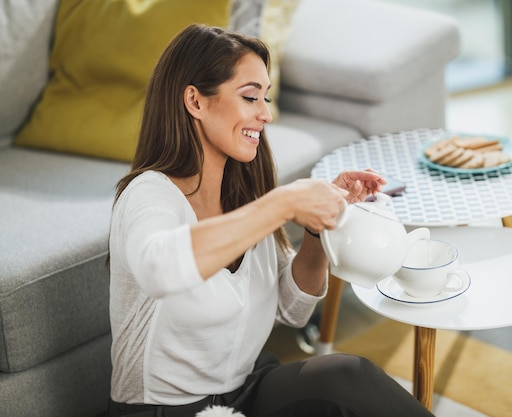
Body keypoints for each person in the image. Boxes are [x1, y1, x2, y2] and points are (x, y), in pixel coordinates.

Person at [107, 24, 435, 417]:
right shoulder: (149, 194)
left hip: (245, 390)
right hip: (166, 410)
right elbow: (159, 268)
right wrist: (283, 203)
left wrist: (317, 230)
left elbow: (294, 310)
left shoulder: (246, 197)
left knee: (347, 375)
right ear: (195, 101)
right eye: (250, 97)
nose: (266, 114)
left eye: (266, 98)